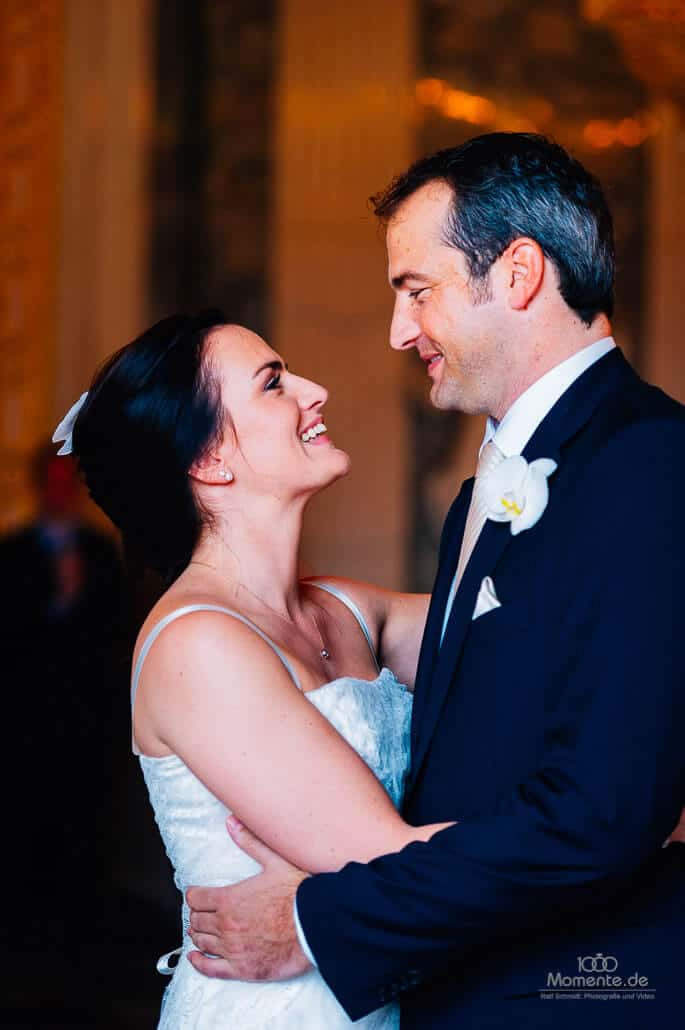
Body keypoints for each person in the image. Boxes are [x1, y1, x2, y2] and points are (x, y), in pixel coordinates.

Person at [185, 134, 685, 1028]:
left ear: (520, 274)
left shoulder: (648, 464)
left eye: (418, 290)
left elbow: (598, 817)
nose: (398, 331)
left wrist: (319, 916)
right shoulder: (485, 493)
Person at [61, 311, 454, 1028]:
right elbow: (392, 865)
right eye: (273, 383)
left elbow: (530, 634)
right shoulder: (198, 644)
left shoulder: (347, 608)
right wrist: (618, 827)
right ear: (209, 460)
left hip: (381, 996)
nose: (314, 390)